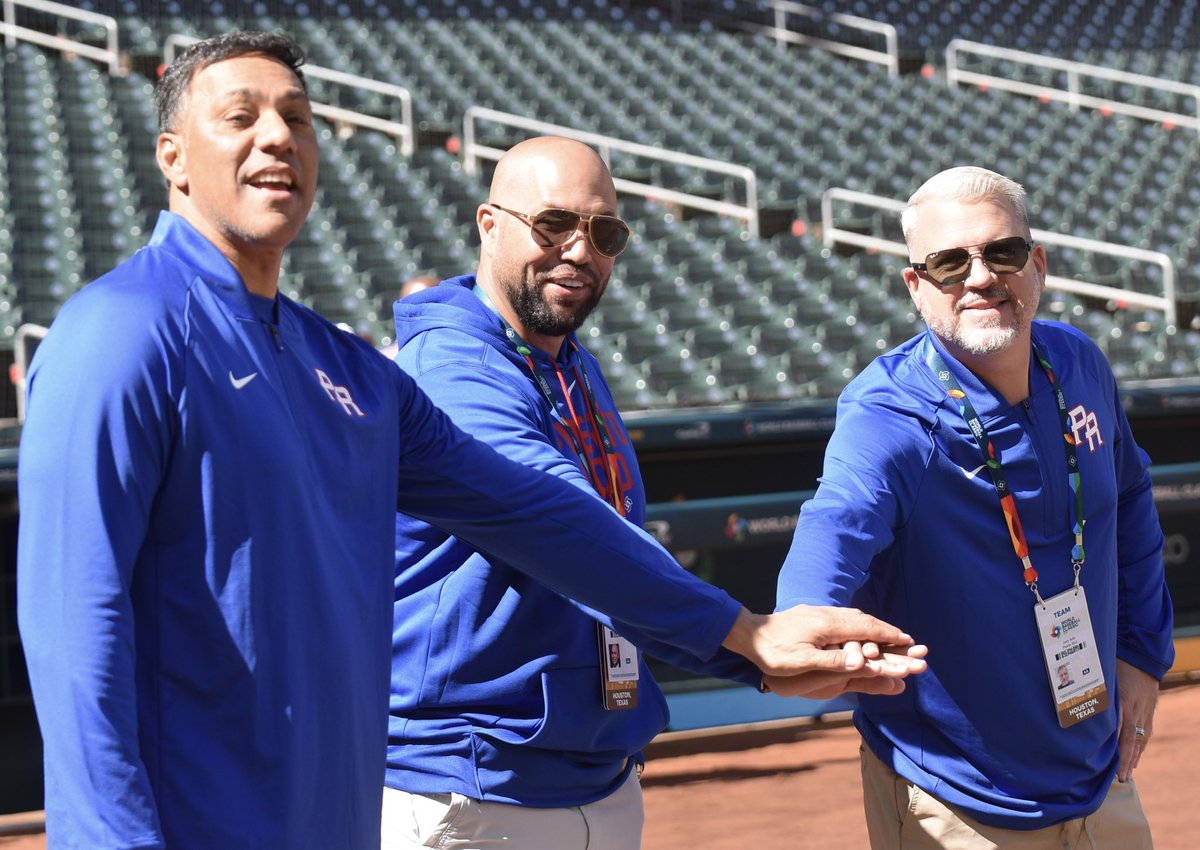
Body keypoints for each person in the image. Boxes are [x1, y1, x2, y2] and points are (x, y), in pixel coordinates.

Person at [16, 33, 922, 850]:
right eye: (240, 117)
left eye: (297, 116)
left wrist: (744, 635)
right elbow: (77, 635)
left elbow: (536, 515)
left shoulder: (346, 370)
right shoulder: (120, 331)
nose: (277, 136)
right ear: (172, 156)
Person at [383, 136, 926, 850]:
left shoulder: (571, 364)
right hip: (470, 787)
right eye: (553, 224)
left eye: (604, 233)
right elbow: (557, 519)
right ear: (489, 225)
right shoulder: (451, 365)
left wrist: (752, 660)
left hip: (595, 772)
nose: (580, 250)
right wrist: (749, 640)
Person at [774, 165, 1175, 848]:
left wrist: (1141, 651)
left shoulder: (1078, 362)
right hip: (960, 803)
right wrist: (798, 625)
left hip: (1101, 778)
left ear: (1038, 265)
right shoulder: (890, 415)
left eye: (1003, 253)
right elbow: (833, 529)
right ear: (915, 287)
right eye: (949, 263)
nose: (981, 277)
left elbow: (1130, 497)